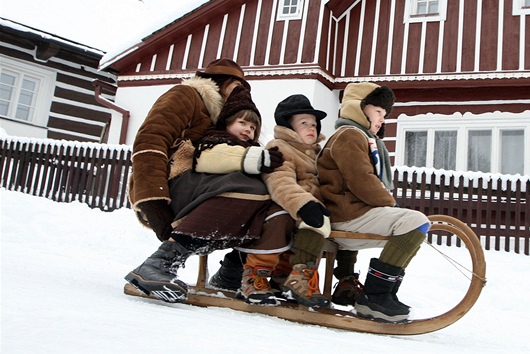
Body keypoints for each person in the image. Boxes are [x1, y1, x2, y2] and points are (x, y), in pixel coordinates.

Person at [125, 60, 294, 305]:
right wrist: (154, 201)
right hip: (173, 183)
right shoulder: (186, 96)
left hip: (207, 187)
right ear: (219, 82)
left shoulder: (226, 118)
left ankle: (231, 274)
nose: (239, 92)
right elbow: (150, 142)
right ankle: (158, 264)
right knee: (248, 187)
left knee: (271, 200)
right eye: (235, 86)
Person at [317, 82, 430, 323]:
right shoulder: (349, 135)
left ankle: (384, 294)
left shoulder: (362, 138)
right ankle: (375, 297)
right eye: (379, 111)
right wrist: (390, 205)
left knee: (415, 228)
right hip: (346, 216)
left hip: (352, 213)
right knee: (415, 222)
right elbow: (361, 180)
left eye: (384, 114)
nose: (382, 119)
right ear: (359, 108)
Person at [262, 94, 332, 308]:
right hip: (290, 207)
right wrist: (304, 204)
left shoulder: (318, 154)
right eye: (304, 123)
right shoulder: (280, 147)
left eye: (314, 124)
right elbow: (279, 180)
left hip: (316, 207)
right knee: (318, 221)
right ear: (289, 127)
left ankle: (346, 281)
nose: (312, 127)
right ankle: (299, 279)